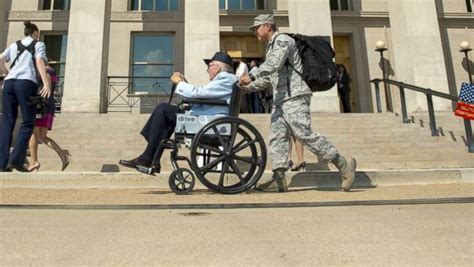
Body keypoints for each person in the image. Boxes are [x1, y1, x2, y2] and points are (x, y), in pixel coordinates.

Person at [239, 14, 356, 192]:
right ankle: (279, 178)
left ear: (268, 26)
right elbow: (271, 77)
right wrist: (247, 87)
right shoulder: (271, 47)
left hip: (295, 96)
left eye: (257, 28)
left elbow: (273, 65)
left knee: (303, 133)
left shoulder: (282, 40)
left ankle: (343, 164)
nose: (255, 32)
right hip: (281, 100)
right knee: (277, 137)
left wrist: (251, 75)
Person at [119, 52, 237, 172]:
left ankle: (148, 158)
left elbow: (199, 93)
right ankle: (152, 159)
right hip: (209, 119)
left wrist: (180, 83)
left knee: (163, 110)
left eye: (209, 67)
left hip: (210, 122)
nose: (208, 71)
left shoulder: (225, 78)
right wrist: (184, 83)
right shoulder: (225, 80)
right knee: (165, 113)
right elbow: (203, 95)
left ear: (216, 67)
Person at [0, 21, 51, 172]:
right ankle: (16, 160)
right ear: (36, 33)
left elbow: (0, 59)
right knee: (28, 122)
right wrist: (46, 84)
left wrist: (7, 73)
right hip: (26, 83)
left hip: (9, 84)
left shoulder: (14, 45)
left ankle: (2, 163)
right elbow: (39, 61)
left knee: (7, 122)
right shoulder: (38, 44)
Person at [27, 65, 70, 172]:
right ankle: (63, 154)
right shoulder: (51, 70)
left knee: (33, 133)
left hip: (41, 106)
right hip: (47, 106)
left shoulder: (45, 71)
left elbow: (47, 88)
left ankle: (33, 161)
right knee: (42, 136)